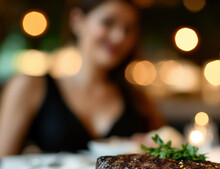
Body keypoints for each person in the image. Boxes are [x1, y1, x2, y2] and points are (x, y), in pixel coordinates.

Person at [0, 0, 165, 156]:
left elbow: (167, 152)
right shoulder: (31, 86)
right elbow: (2, 161)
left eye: (128, 29)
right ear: (77, 21)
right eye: (107, 22)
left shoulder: (139, 100)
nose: (119, 37)